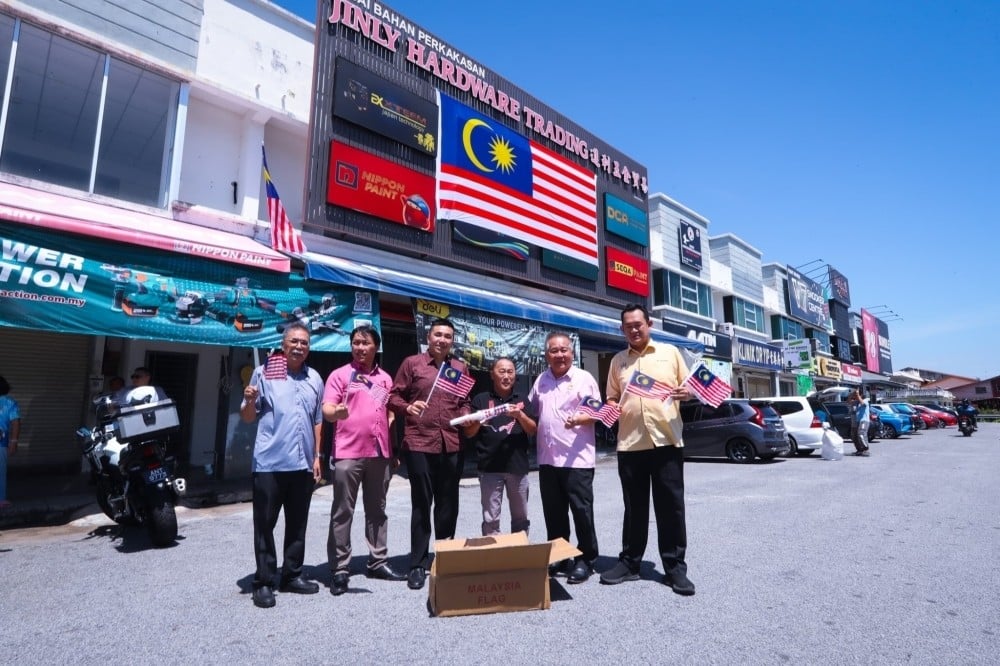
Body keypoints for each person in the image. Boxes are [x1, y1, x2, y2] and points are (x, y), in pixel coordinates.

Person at [599, 304, 696, 596]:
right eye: (628, 325)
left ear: (649, 324)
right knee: (634, 508)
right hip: (631, 444)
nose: (634, 329)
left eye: (638, 324)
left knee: (671, 508)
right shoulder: (618, 361)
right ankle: (629, 563)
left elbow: (689, 387)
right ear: (622, 329)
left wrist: (687, 393)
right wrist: (612, 405)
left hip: (666, 441)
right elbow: (611, 398)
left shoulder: (670, 353)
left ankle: (675, 568)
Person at [240, 323, 324, 608]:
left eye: (304, 342)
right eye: (294, 341)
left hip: (302, 464)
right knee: (265, 524)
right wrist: (249, 401)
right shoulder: (264, 373)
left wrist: (317, 457)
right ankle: (263, 581)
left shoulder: (314, 378)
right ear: (283, 344)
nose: (299, 346)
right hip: (270, 464)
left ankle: (291, 575)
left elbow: (317, 421)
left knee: (298, 524)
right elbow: (249, 417)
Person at [322, 324, 406, 596]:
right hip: (347, 452)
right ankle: (340, 568)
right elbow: (327, 410)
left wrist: (392, 450)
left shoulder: (384, 378)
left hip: (379, 453)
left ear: (375, 347)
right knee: (343, 511)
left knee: (377, 511)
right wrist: (337, 412)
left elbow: (390, 412)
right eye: (356, 342)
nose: (360, 347)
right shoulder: (340, 375)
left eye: (365, 343)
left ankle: (378, 560)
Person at [388, 318, 472, 591]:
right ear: (429, 336)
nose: (442, 340)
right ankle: (418, 563)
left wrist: (468, 415)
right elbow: (393, 397)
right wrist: (408, 407)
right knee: (422, 504)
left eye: (448, 336)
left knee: (448, 505)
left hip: (451, 443)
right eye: (438, 334)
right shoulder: (412, 364)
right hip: (420, 443)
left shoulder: (459, 367)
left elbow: (464, 402)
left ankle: (445, 557)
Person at [527, 331, 600, 584]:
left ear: (572, 352)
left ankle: (586, 558)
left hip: (576, 459)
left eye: (564, 350)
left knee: (581, 511)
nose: (559, 355)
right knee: (554, 513)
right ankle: (560, 555)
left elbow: (598, 413)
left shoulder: (584, 378)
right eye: (554, 351)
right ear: (547, 355)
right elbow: (533, 411)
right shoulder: (541, 380)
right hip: (547, 459)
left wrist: (581, 418)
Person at [463, 357, 537, 536]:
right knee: (491, 519)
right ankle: (493, 558)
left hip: (517, 468)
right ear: (492, 374)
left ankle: (518, 556)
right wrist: (480, 421)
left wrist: (520, 415)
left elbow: (533, 430)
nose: (506, 376)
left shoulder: (522, 399)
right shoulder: (481, 400)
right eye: (501, 371)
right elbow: (469, 433)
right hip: (489, 468)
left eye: (510, 372)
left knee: (520, 518)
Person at [0, 375, 21, 510]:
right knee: (1, 471)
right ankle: (1, 500)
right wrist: (13, 442)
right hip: (2, 443)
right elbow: (16, 423)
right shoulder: (10, 403)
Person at [851, 391, 871, 456]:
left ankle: (866, 449)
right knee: (855, 436)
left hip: (864, 421)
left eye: (860, 394)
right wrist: (851, 395)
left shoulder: (866, 400)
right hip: (858, 421)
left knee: (861, 434)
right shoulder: (857, 402)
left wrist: (857, 395)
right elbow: (849, 402)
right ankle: (860, 450)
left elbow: (863, 404)